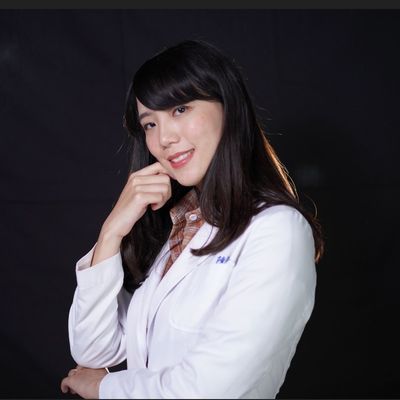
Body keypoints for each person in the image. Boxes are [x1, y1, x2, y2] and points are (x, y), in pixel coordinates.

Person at [60, 39, 323, 399]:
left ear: (228, 106)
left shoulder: (277, 230)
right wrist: (111, 232)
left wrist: (104, 387)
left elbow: (211, 387)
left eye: (180, 109)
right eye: (149, 124)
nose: (164, 138)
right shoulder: (179, 229)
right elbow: (93, 351)